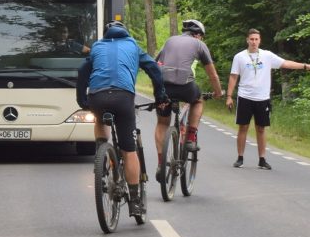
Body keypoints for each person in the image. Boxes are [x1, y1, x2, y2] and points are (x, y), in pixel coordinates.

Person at [76, 21, 169, 217]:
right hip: (123, 97)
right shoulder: (133, 45)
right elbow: (154, 68)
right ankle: (134, 202)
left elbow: (82, 71)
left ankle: (101, 152)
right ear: (125, 32)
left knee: (99, 118)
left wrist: (82, 100)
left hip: (97, 96)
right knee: (129, 150)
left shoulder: (98, 46)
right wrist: (160, 96)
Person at [225, 29, 310, 169]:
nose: (254, 42)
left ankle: (262, 159)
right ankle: (240, 157)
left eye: (256, 39)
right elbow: (234, 76)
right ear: (247, 40)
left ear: (260, 41)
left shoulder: (267, 55)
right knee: (243, 127)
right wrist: (229, 96)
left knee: (261, 128)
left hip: (262, 98)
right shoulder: (239, 57)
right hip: (245, 96)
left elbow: (286, 63)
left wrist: (306, 66)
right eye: (251, 39)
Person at [154, 19, 223, 178]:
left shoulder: (170, 41)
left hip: (164, 87)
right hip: (185, 87)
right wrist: (218, 92)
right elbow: (213, 75)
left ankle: (161, 164)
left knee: (162, 123)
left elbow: (155, 63)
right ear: (198, 35)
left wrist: (158, 89)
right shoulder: (199, 45)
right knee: (198, 101)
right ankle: (191, 137)